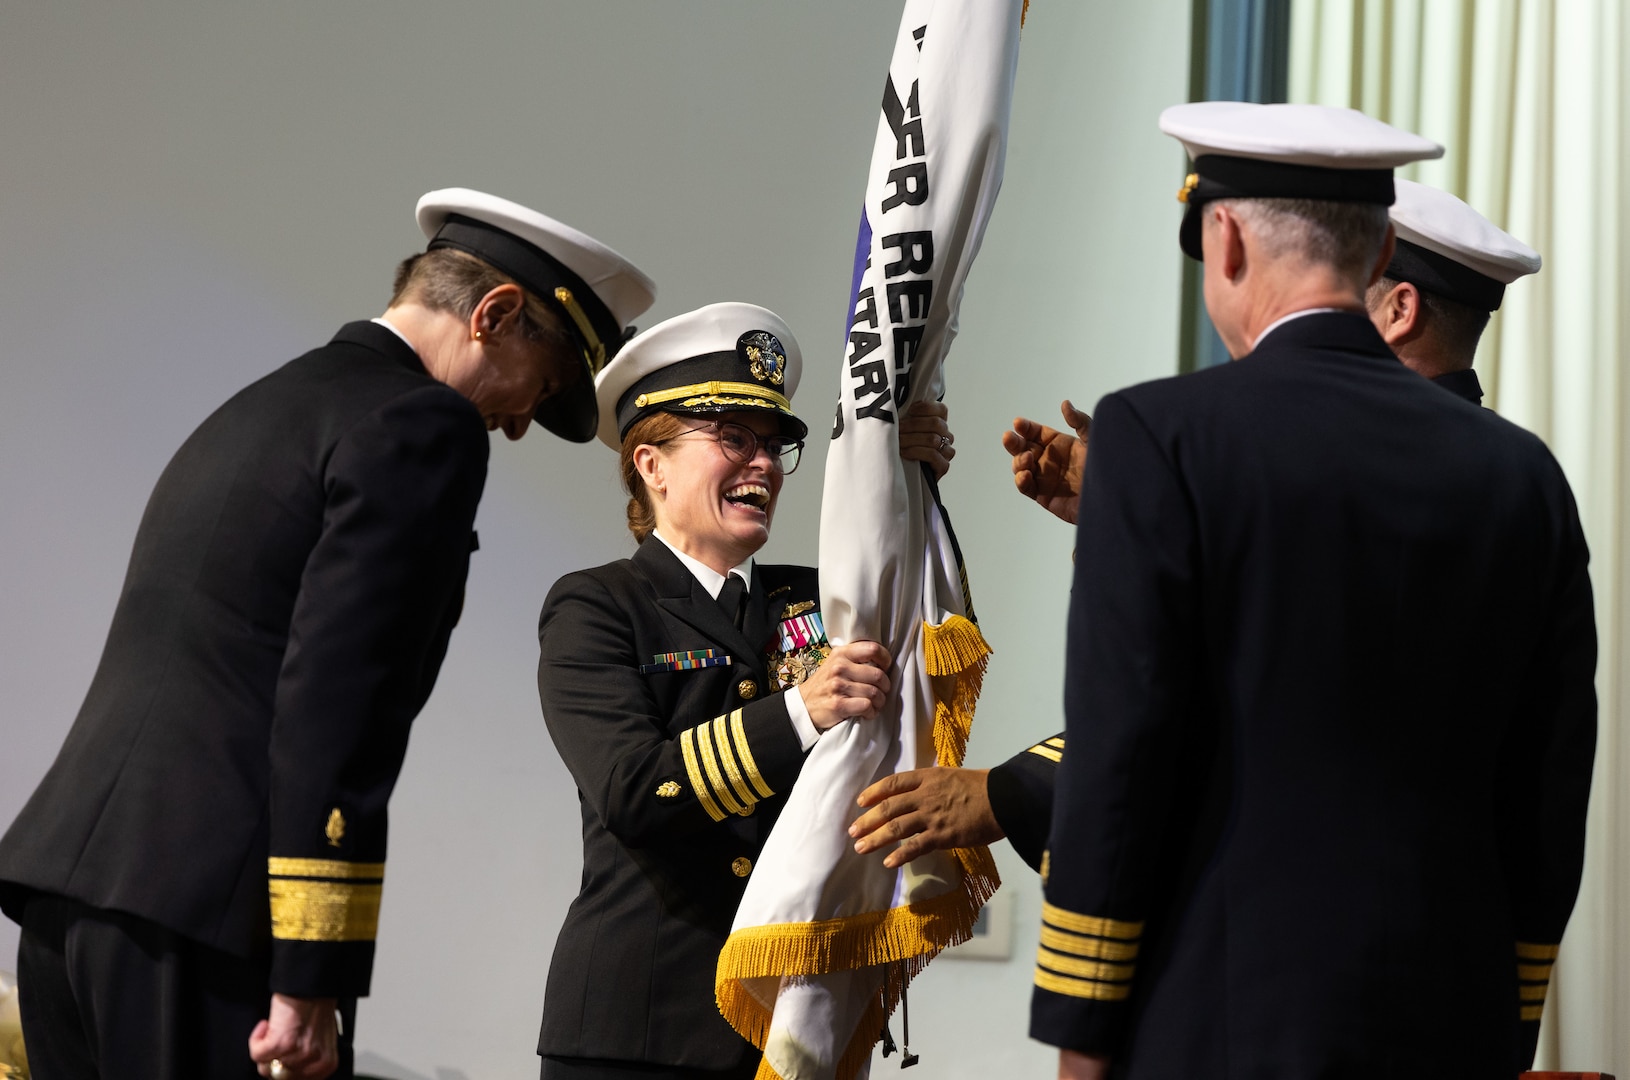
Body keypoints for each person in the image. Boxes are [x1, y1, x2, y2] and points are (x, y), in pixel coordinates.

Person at [0, 188, 654, 1080]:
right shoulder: (424, 426)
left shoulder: (263, 405)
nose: (510, 425)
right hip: (211, 930)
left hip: (69, 903)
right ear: (495, 315)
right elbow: (339, 700)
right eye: (535, 390)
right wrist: (310, 972)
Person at [1025, 102, 1595, 1080]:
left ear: (1226, 236)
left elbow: (1124, 758)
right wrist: (1506, 1017)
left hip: (1218, 1019)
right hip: (1449, 1024)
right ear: (1378, 253)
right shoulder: (1522, 475)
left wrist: (1082, 1029)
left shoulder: (1156, 437)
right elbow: (1548, 784)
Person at [850, 177, 1549, 879]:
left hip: (1290, 931)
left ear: (1399, 310)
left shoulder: (1350, 475)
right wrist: (1126, 517)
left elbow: (1235, 711)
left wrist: (1007, 794)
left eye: (1336, 292)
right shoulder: (1521, 478)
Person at [534, 302, 954, 1080]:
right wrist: (801, 710)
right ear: (650, 463)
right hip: (641, 1032)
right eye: (733, 438)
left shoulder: (819, 599)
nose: (763, 464)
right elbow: (633, 789)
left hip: (792, 1017)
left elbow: (916, 639)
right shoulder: (597, 604)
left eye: (773, 445)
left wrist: (900, 486)